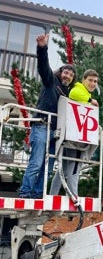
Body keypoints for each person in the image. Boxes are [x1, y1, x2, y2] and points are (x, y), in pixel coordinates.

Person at [18, 34, 77, 199]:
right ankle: (25, 192)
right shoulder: (50, 81)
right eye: (65, 72)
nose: (68, 76)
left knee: (48, 167)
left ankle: (37, 194)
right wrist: (42, 48)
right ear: (60, 73)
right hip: (42, 126)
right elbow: (43, 66)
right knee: (36, 163)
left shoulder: (68, 93)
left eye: (71, 75)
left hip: (56, 133)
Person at [49, 69, 99, 197]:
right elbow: (74, 93)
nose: (93, 84)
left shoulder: (83, 91)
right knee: (74, 169)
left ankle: (53, 194)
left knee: (63, 169)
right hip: (77, 138)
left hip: (72, 136)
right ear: (83, 80)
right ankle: (74, 199)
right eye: (90, 80)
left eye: (95, 81)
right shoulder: (79, 88)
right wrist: (90, 100)